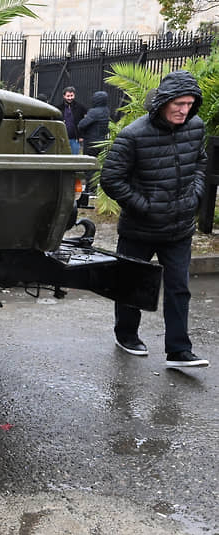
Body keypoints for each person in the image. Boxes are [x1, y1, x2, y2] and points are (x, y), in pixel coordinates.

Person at [100, 70, 209, 368]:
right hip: (140, 227)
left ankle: (178, 350)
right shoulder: (133, 135)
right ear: (163, 102)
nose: (184, 110)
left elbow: (201, 161)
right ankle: (126, 335)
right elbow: (111, 179)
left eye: (189, 104)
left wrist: (195, 195)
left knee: (178, 288)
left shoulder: (196, 127)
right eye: (178, 104)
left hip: (179, 227)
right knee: (130, 284)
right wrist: (144, 206)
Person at [55, 86, 87, 154]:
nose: (70, 98)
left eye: (71, 96)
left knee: (74, 158)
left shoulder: (80, 107)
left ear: (74, 95)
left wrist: (81, 136)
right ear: (64, 96)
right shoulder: (58, 108)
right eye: (68, 96)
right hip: (61, 138)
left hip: (75, 139)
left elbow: (85, 122)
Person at [78, 90, 110, 157]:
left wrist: (83, 134)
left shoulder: (94, 112)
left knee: (88, 163)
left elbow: (81, 125)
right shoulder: (106, 111)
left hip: (91, 143)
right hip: (102, 142)